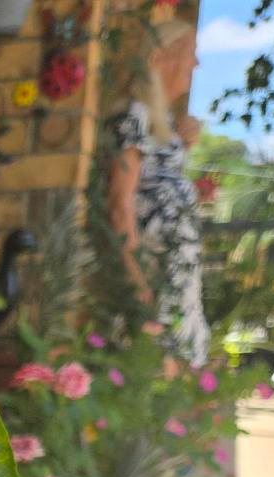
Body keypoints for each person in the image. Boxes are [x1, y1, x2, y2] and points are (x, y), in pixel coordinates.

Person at [106, 19, 211, 364]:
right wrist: (138, 287)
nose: (196, 66)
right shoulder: (135, 116)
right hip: (155, 282)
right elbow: (121, 204)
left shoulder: (157, 119)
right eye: (191, 54)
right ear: (162, 57)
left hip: (174, 282)